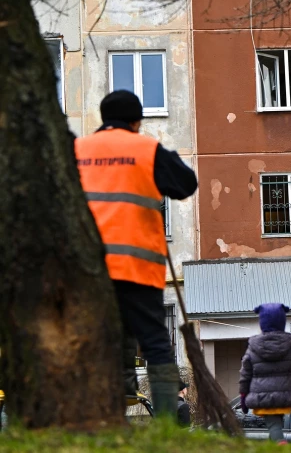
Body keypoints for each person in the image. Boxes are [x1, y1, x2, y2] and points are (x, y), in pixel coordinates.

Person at [75, 90, 198, 417]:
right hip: (137, 269)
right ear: (136, 120)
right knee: (155, 342)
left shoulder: (76, 150)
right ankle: (169, 420)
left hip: (88, 273)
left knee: (98, 342)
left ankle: (100, 415)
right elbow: (186, 184)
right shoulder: (145, 149)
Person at [239, 303, 291, 444]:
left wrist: (243, 396)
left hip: (262, 396)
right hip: (283, 395)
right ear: (282, 322)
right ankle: (275, 445)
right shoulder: (289, 345)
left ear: (262, 323)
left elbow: (245, 375)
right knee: (276, 424)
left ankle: (280, 444)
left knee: (274, 426)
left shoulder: (253, 347)